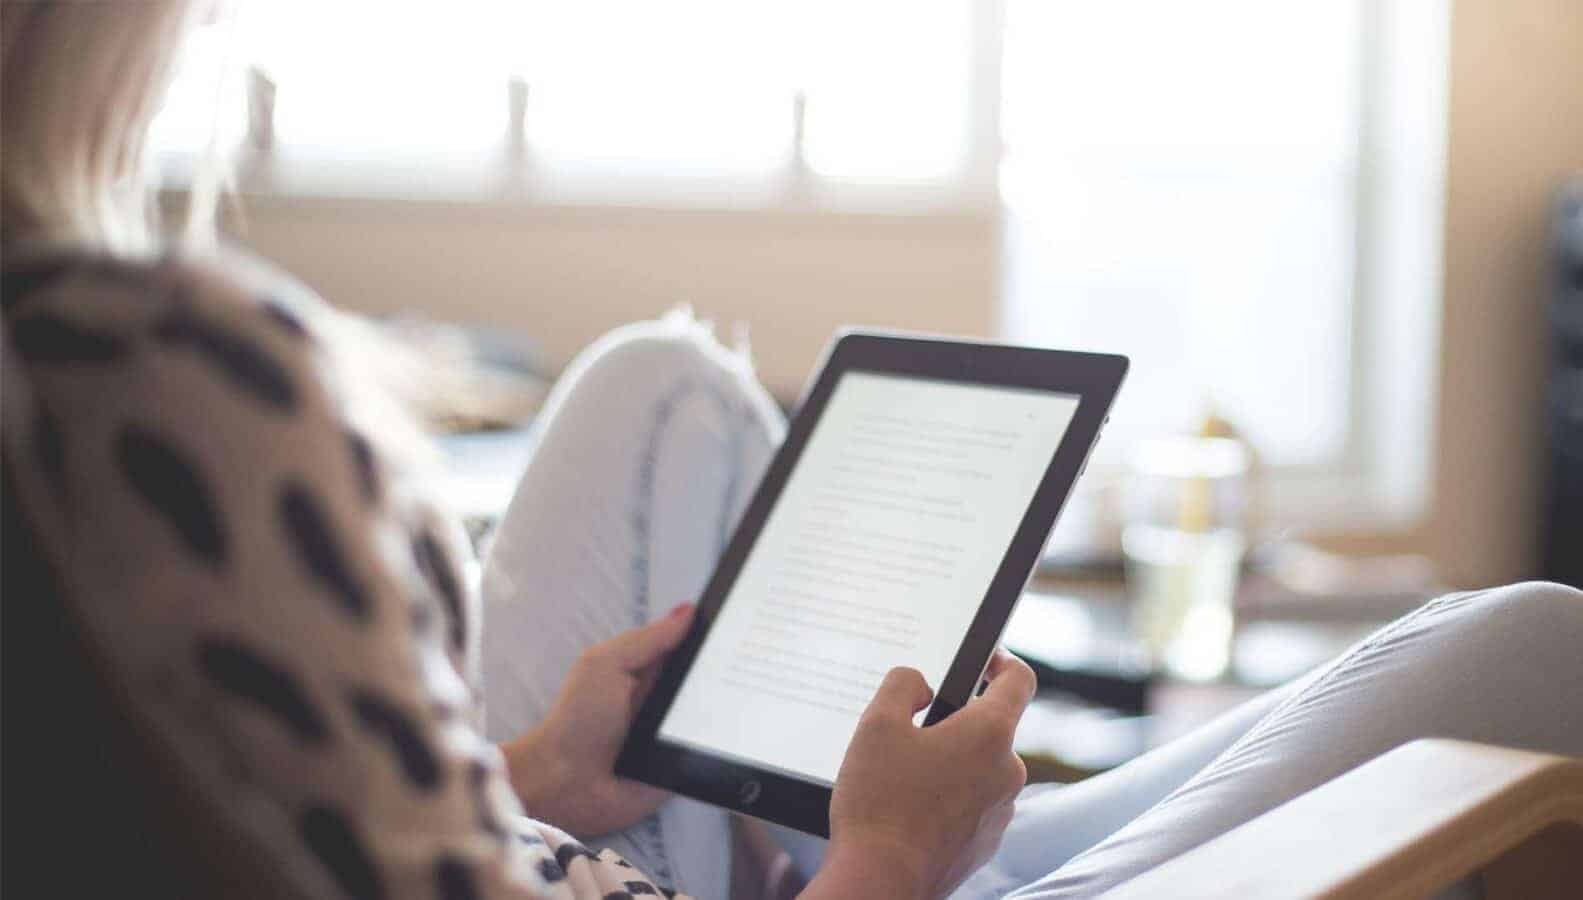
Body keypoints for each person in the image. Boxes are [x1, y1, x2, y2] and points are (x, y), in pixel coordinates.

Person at [2, 3, 1579, 899]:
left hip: (579, 844)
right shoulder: (141, 375)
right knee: (1536, 650)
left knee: (663, 382)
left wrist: (543, 772)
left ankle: (908, 828)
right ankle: (930, 845)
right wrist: (882, 862)